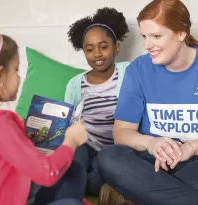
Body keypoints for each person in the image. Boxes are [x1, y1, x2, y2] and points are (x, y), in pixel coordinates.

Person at [96, 1, 198, 205]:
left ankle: (136, 197)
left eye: (156, 36)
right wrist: (152, 143)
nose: (148, 45)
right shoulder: (138, 70)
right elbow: (121, 132)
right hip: (149, 162)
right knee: (109, 156)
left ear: (181, 33)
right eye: (144, 37)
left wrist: (190, 148)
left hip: (197, 161)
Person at [0, 28, 87, 205]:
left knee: (72, 171)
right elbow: (46, 174)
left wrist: (21, 134)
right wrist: (71, 140)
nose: (19, 78)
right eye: (16, 69)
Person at [63, 7, 130, 197]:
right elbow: (67, 120)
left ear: (116, 46)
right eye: (89, 49)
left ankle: (104, 187)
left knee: (109, 169)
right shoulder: (76, 84)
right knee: (76, 154)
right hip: (87, 147)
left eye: (104, 46)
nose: (97, 54)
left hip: (117, 152)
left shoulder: (128, 71)